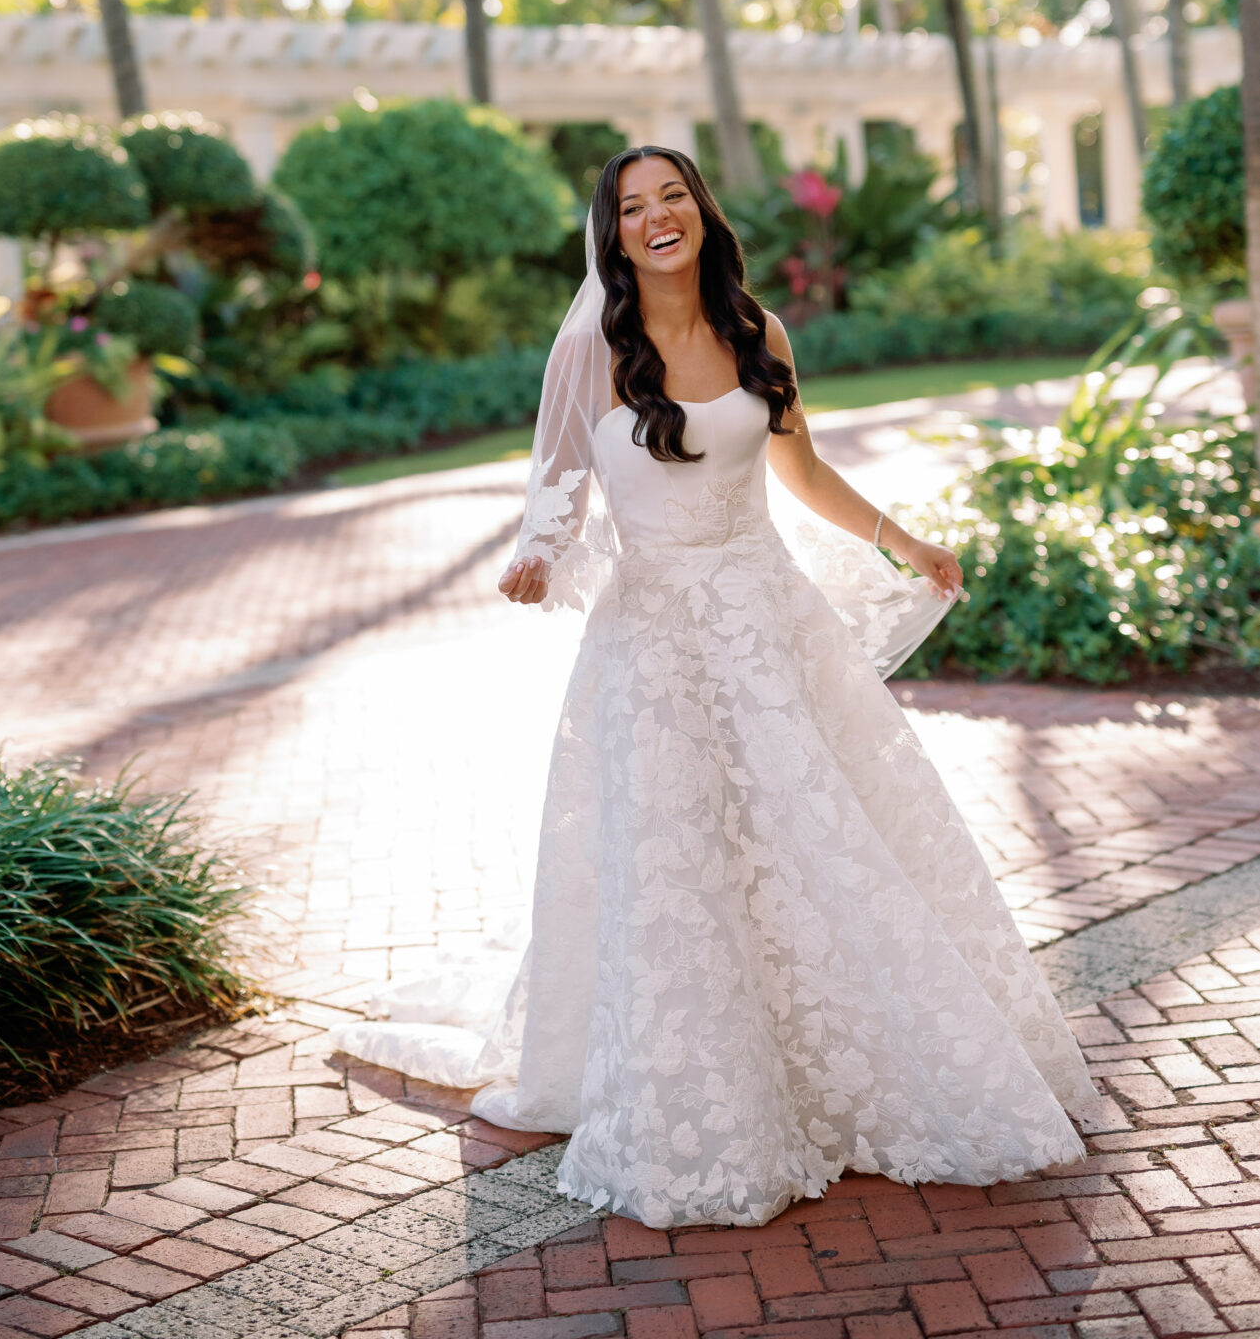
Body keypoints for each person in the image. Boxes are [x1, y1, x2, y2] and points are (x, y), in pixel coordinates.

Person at [329, 146, 1096, 1229]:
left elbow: (801, 469)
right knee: (680, 863)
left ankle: (841, 1062)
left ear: (699, 210)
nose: (655, 218)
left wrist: (903, 540)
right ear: (614, 233)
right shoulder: (594, 348)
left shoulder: (755, 332)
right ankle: (709, 1095)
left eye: (670, 197)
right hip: (652, 649)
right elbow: (553, 487)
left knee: (815, 839)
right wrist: (534, 558)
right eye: (631, 207)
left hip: (771, 628)